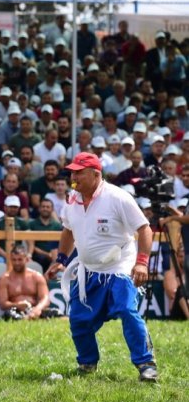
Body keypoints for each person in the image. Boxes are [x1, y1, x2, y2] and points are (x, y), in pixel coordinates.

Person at [45, 152, 158, 382]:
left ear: (96, 174)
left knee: (127, 310)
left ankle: (146, 364)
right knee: (78, 319)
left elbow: (144, 229)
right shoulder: (72, 201)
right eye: (72, 172)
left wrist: (142, 263)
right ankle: (87, 362)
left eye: (79, 172)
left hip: (119, 267)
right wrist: (61, 259)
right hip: (88, 269)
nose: (74, 177)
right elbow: (68, 230)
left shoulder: (118, 197)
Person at [0, 246, 53, 320]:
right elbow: (3, 304)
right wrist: (17, 305)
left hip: (34, 308)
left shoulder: (36, 276)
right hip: (15, 311)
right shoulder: (5, 279)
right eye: (14, 260)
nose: (17, 263)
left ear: (26, 259)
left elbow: (45, 298)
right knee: (9, 314)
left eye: (20, 260)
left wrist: (37, 309)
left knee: (55, 313)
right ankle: (26, 319)